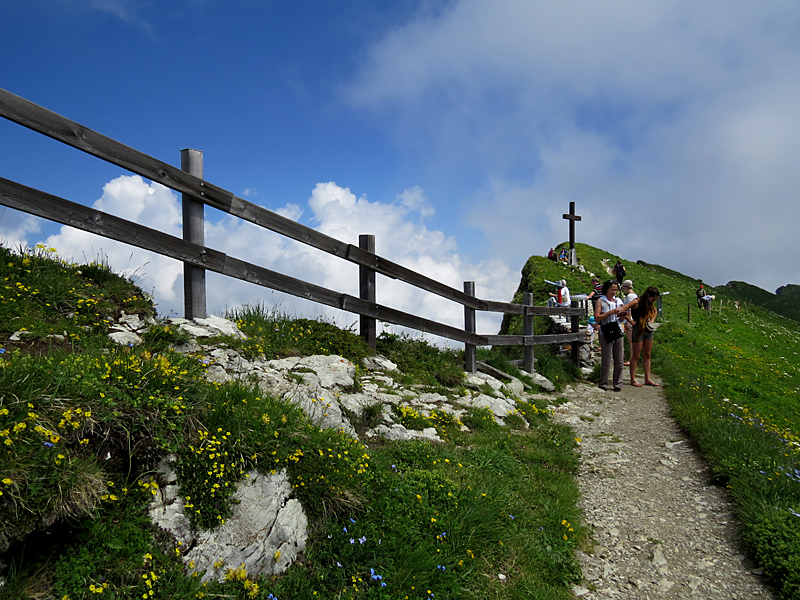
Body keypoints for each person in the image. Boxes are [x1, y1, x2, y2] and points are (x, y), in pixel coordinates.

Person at [622, 286, 661, 387]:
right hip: (638, 330)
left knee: (647, 354)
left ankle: (647, 379)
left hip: (648, 330)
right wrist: (630, 320)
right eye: (653, 299)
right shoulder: (636, 302)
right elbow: (623, 309)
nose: (654, 301)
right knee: (636, 355)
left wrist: (652, 320)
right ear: (648, 295)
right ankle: (633, 379)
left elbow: (655, 311)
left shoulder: (650, 303)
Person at [595, 280, 625, 391]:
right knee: (607, 359)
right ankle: (603, 382)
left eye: (615, 290)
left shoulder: (618, 300)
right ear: (606, 289)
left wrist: (622, 316)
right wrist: (610, 312)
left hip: (617, 329)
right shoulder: (600, 301)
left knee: (619, 359)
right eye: (612, 290)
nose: (614, 292)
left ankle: (618, 383)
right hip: (606, 330)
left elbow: (621, 317)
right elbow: (597, 317)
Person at [619, 280, 638, 366]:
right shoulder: (635, 295)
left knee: (630, 341)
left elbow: (629, 308)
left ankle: (631, 359)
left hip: (630, 320)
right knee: (632, 340)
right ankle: (633, 358)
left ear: (626, 288)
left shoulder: (630, 296)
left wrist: (628, 321)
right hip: (634, 319)